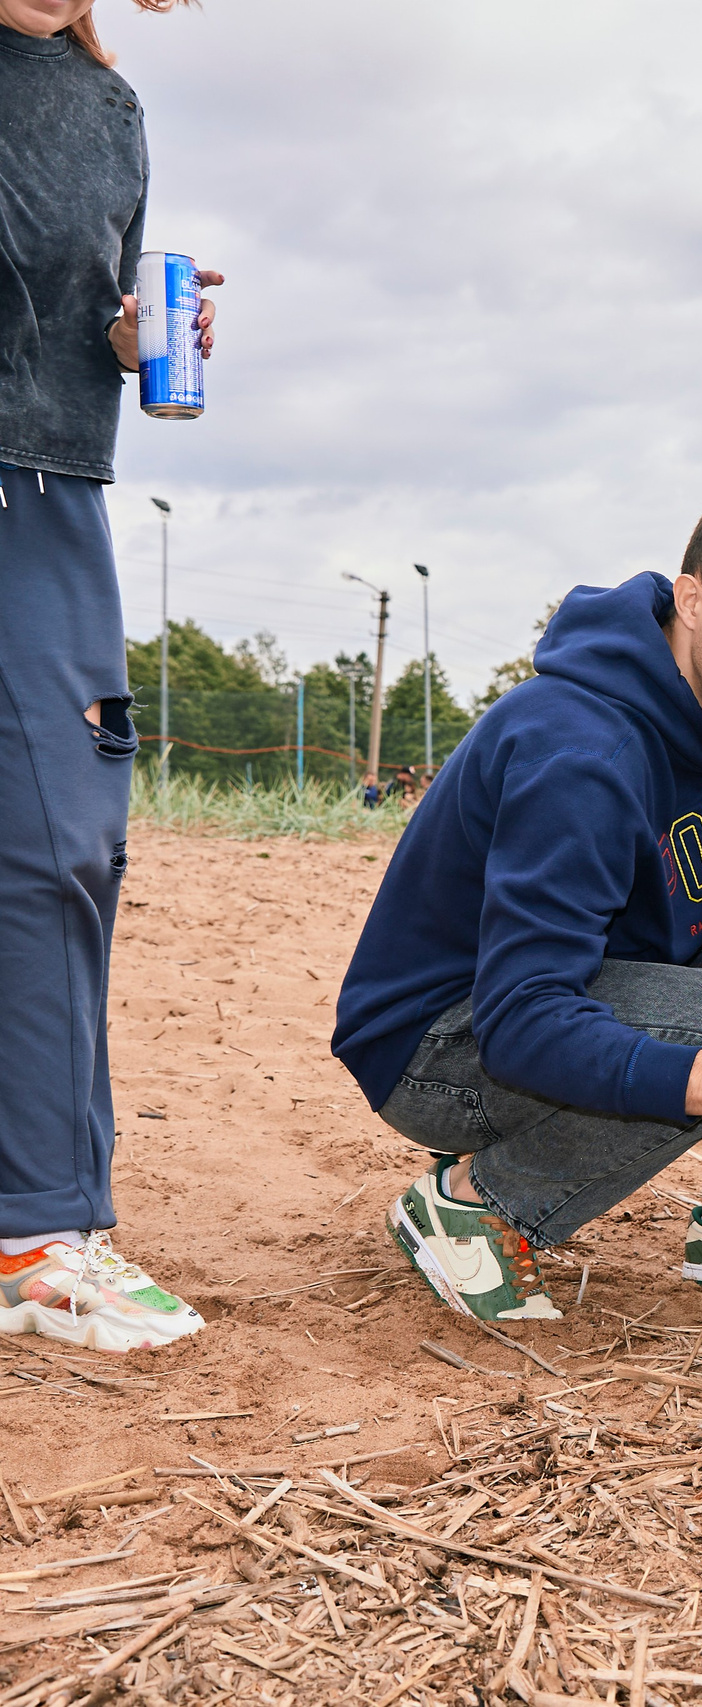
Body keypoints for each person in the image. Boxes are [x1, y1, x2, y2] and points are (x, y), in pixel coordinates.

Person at [333, 496, 702, 1323]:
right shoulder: (581, 750)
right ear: (694, 600)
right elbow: (523, 1022)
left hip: (565, 987)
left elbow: (662, 864)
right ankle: (477, 1203)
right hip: (443, 1044)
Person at [0, 0, 222, 1352]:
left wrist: (145, 341)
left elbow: (95, 319)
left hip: (52, 488)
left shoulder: (110, 113)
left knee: (64, 841)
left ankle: (39, 1225)